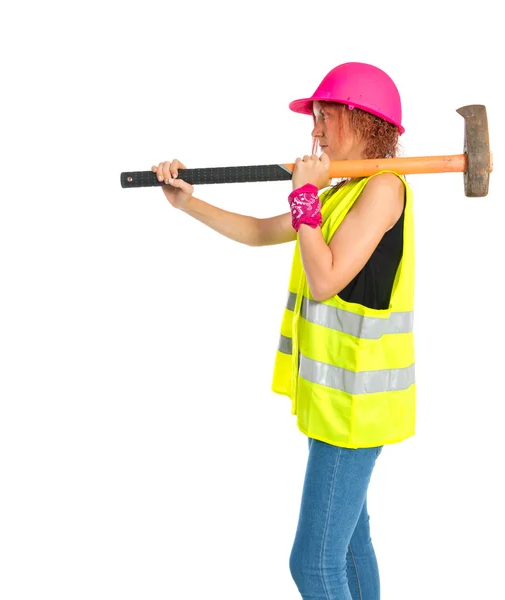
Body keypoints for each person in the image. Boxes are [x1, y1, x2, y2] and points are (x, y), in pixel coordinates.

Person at [152, 62, 415, 600]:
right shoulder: (341, 194)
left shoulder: (384, 188)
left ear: (362, 120)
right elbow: (256, 232)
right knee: (347, 547)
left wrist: (305, 196)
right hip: (336, 403)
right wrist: (188, 201)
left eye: (324, 117)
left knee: (313, 566)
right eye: (314, 119)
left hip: (355, 412)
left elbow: (325, 279)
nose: (314, 131)